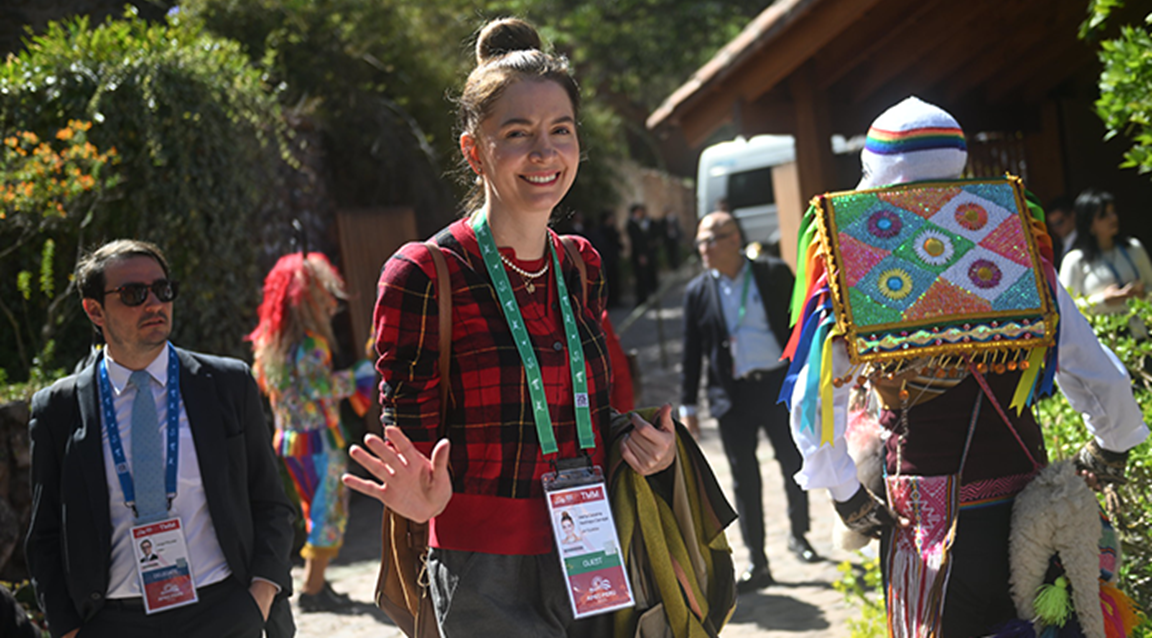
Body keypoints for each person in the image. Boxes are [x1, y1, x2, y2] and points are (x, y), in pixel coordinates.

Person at [342, 18, 676, 637]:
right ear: (474, 150)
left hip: (596, 552)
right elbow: (411, 447)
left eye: (560, 131)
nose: (544, 153)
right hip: (484, 573)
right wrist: (418, 499)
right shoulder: (424, 272)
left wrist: (640, 445)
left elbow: (588, 412)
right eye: (517, 133)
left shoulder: (581, 264)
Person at [784, 96, 1149, 637]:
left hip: (931, 528)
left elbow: (814, 404)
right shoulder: (1017, 250)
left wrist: (845, 493)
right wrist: (1110, 443)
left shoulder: (855, 266)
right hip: (1027, 516)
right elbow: (1089, 363)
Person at [26, 239, 296, 638]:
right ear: (94, 309)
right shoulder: (58, 409)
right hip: (115, 621)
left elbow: (271, 503)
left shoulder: (226, 384)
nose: (154, 303)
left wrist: (259, 596)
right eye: (134, 294)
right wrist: (69, 630)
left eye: (162, 289)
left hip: (223, 610)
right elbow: (45, 536)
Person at [679, 211, 817, 594]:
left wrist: (808, 378)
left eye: (712, 240)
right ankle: (758, 559)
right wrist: (687, 407)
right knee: (744, 479)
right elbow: (692, 353)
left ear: (734, 239)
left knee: (792, 462)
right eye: (701, 241)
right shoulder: (698, 292)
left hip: (777, 386)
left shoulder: (773, 274)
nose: (703, 249)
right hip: (731, 396)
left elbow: (799, 325)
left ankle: (800, 536)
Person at [248, 251, 374, 612]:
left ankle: (318, 583)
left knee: (313, 510)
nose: (332, 305)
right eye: (325, 296)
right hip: (320, 440)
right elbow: (320, 388)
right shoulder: (311, 345)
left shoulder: (270, 345)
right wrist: (362, 374)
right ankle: (314, 589)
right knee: (328, 511)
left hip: (290, 442)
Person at [1058, 188, 1152, 315]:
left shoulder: (1133, 247)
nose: (1112, 218)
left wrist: (1143, 293)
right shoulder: (1074, 260)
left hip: (1140, 331)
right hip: (1101, 333)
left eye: (1112, 211)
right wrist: (1104, 300)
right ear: (1089, 224)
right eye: (1104, 215)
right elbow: (1065, 308)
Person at [626, 203, 659, 305]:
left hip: (647, 253)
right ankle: (641, 298)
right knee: (640, 277)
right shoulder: (632, 224)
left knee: (648, 275)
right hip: (638, 255)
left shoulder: (644, 222)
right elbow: (636, 241)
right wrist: (641, 255)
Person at [1044, 194, 1075, 267]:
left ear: (1072, 216)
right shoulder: (1056, 246)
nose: (1056, 228)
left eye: (1059, 222)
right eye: (1052, 225)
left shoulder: (1085, 240)